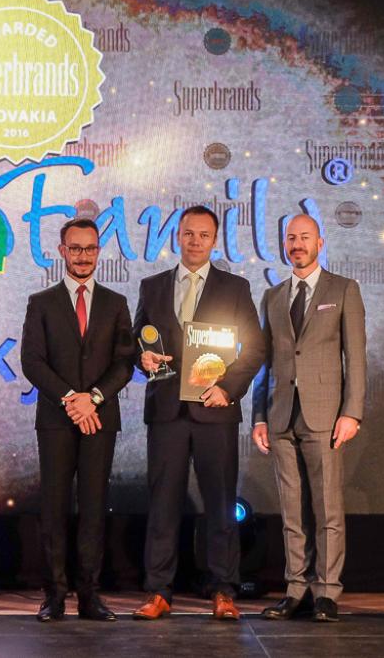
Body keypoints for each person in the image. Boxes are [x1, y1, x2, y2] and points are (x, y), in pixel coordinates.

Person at [131, 205, 265, 621]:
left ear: (215, 240)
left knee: (221, 504)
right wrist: (142, 359)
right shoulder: (152, 286)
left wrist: (228, 388)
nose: (195, 241)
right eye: (189, 233)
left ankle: (223, 590)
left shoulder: (235, 287)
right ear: (178, 235)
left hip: (215, 412)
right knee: (163, 505)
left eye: (204, 235)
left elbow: (256, 348)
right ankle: (158, 591)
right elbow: (138, 340)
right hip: (167, 412)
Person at [250, 214, 366, 622]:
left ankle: (327, 592)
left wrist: (351, 412)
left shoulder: (344, 289)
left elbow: (356, 358)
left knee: (327, 508)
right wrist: (259, 416)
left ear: (320, 242)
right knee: (292, 512)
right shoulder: (273, 296)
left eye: (304, 237)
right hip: (281, 416)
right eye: (290, 238)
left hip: (326, 416)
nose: (296, 244)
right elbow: (264, 362)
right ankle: (296, 589)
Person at [20, 218, 136, 622]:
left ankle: (89, 595)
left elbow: (125, 362)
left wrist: (94, 399)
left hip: (100, 419)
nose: (83, 256)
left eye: (90, 248)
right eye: (75, 248)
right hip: (57, 418)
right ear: (62, 251)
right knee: (53, 508)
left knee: (93, 507)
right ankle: (54, 595)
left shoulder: (116, 303)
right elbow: (32, 361)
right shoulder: (42, 302)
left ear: (99, 252)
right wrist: (72, 399)